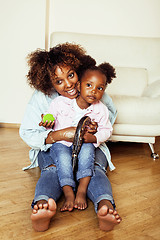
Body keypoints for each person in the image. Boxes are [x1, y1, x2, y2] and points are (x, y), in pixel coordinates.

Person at [19, 43, 122, 232]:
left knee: (96, 169)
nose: (68, 84)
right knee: (51, 169)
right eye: (58, 82)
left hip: (89, 146)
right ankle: (42, 205)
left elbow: (109, 117)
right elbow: (28, 132)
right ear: (49, 83)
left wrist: (93, 131)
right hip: (56, 146)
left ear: (79, 71)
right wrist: (58, 133)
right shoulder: (47, 98)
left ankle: (105, 206)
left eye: (71, 75)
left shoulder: (94, 90)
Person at [42, 63, 114, 211]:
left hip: (85, 143)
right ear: (79, 85)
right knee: (62, 159)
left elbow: (107, 130)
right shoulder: (61, 102)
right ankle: (68, 193)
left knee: (88, 155)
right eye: (89, 85)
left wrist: (94, 138)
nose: (93, 91)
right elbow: (50, 114)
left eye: (99, 88)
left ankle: (81, 190)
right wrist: (47, 121)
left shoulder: (101, 109)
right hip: (62, 143)